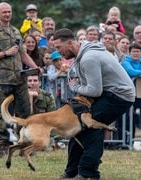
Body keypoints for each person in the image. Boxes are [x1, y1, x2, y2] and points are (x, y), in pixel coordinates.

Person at [54, 28, 135, 179]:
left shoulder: (88, 58)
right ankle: (71, 172)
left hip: (119, 96)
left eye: (59, 47)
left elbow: (95, 91)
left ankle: (87, 173)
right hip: (108, 93)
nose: (58, 52)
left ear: (70, 43)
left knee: (90, 127)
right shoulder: (83, 55)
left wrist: (74, 86)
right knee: (77, 128)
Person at [0, 2, 38, 157]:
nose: (7, 14)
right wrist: (5, 53)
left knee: (25, 112)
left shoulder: (15, 31)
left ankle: (24, 145)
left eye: (9, 12)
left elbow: (22, 54)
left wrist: (36, 67)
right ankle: (3, 146)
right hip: (0, 80)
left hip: (18, 78)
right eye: (4, 12)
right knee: (2, 113)